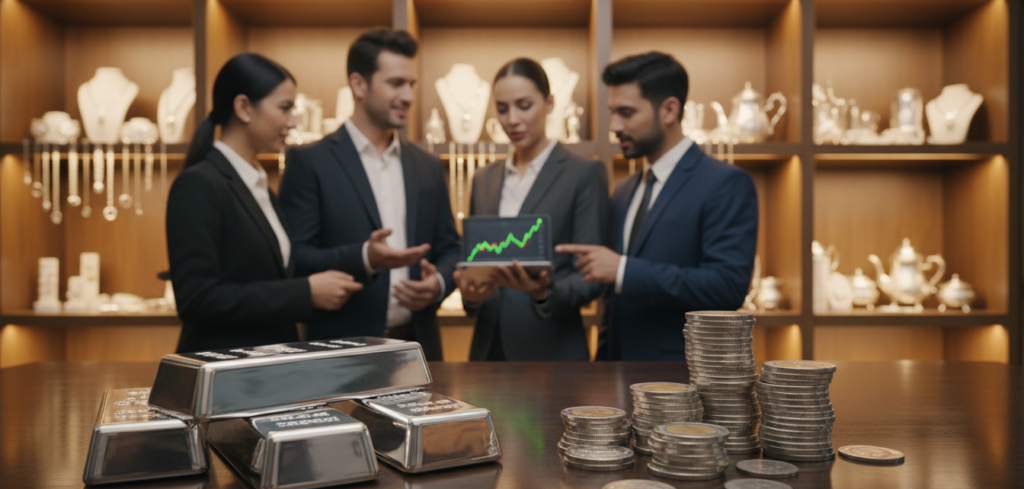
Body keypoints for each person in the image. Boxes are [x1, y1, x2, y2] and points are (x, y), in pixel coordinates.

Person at [557, 52, 758, 361]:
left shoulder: (726, 183)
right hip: (617, 376)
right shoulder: (624, 190)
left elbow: (726, 288)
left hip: (681, 378)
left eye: (626, 112)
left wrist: (623, 269)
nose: (614, 125)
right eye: (612, 112)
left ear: (669, 110)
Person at [279, 29, 460, 361]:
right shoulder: (310, 162)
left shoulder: (428, 165)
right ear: (359, 85)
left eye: (411, 84)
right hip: (339, 354)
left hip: (419, 351)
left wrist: (438, 285)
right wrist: (365, 256)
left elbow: (451, 247)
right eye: (395, 83)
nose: (408, 95)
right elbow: (295, 260)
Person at [167, 53, 362, 353]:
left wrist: (365, 257)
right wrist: (304, 292)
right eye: (285, 108)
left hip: (264, 372)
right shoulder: (199, 184)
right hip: (226, 374)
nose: (294, 121)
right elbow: (198, 300)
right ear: (244, 107)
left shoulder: (258, 185)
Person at [455, 58, 608, 361]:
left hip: (553, 350)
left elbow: (592, 277)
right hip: (486, 350)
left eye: (524, 105)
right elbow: (472, 262)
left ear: (550, 103)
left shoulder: (584, 174)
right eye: (502, 108)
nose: (511, 119)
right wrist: (470, 297)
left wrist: (543, 293)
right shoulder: (484, 179)